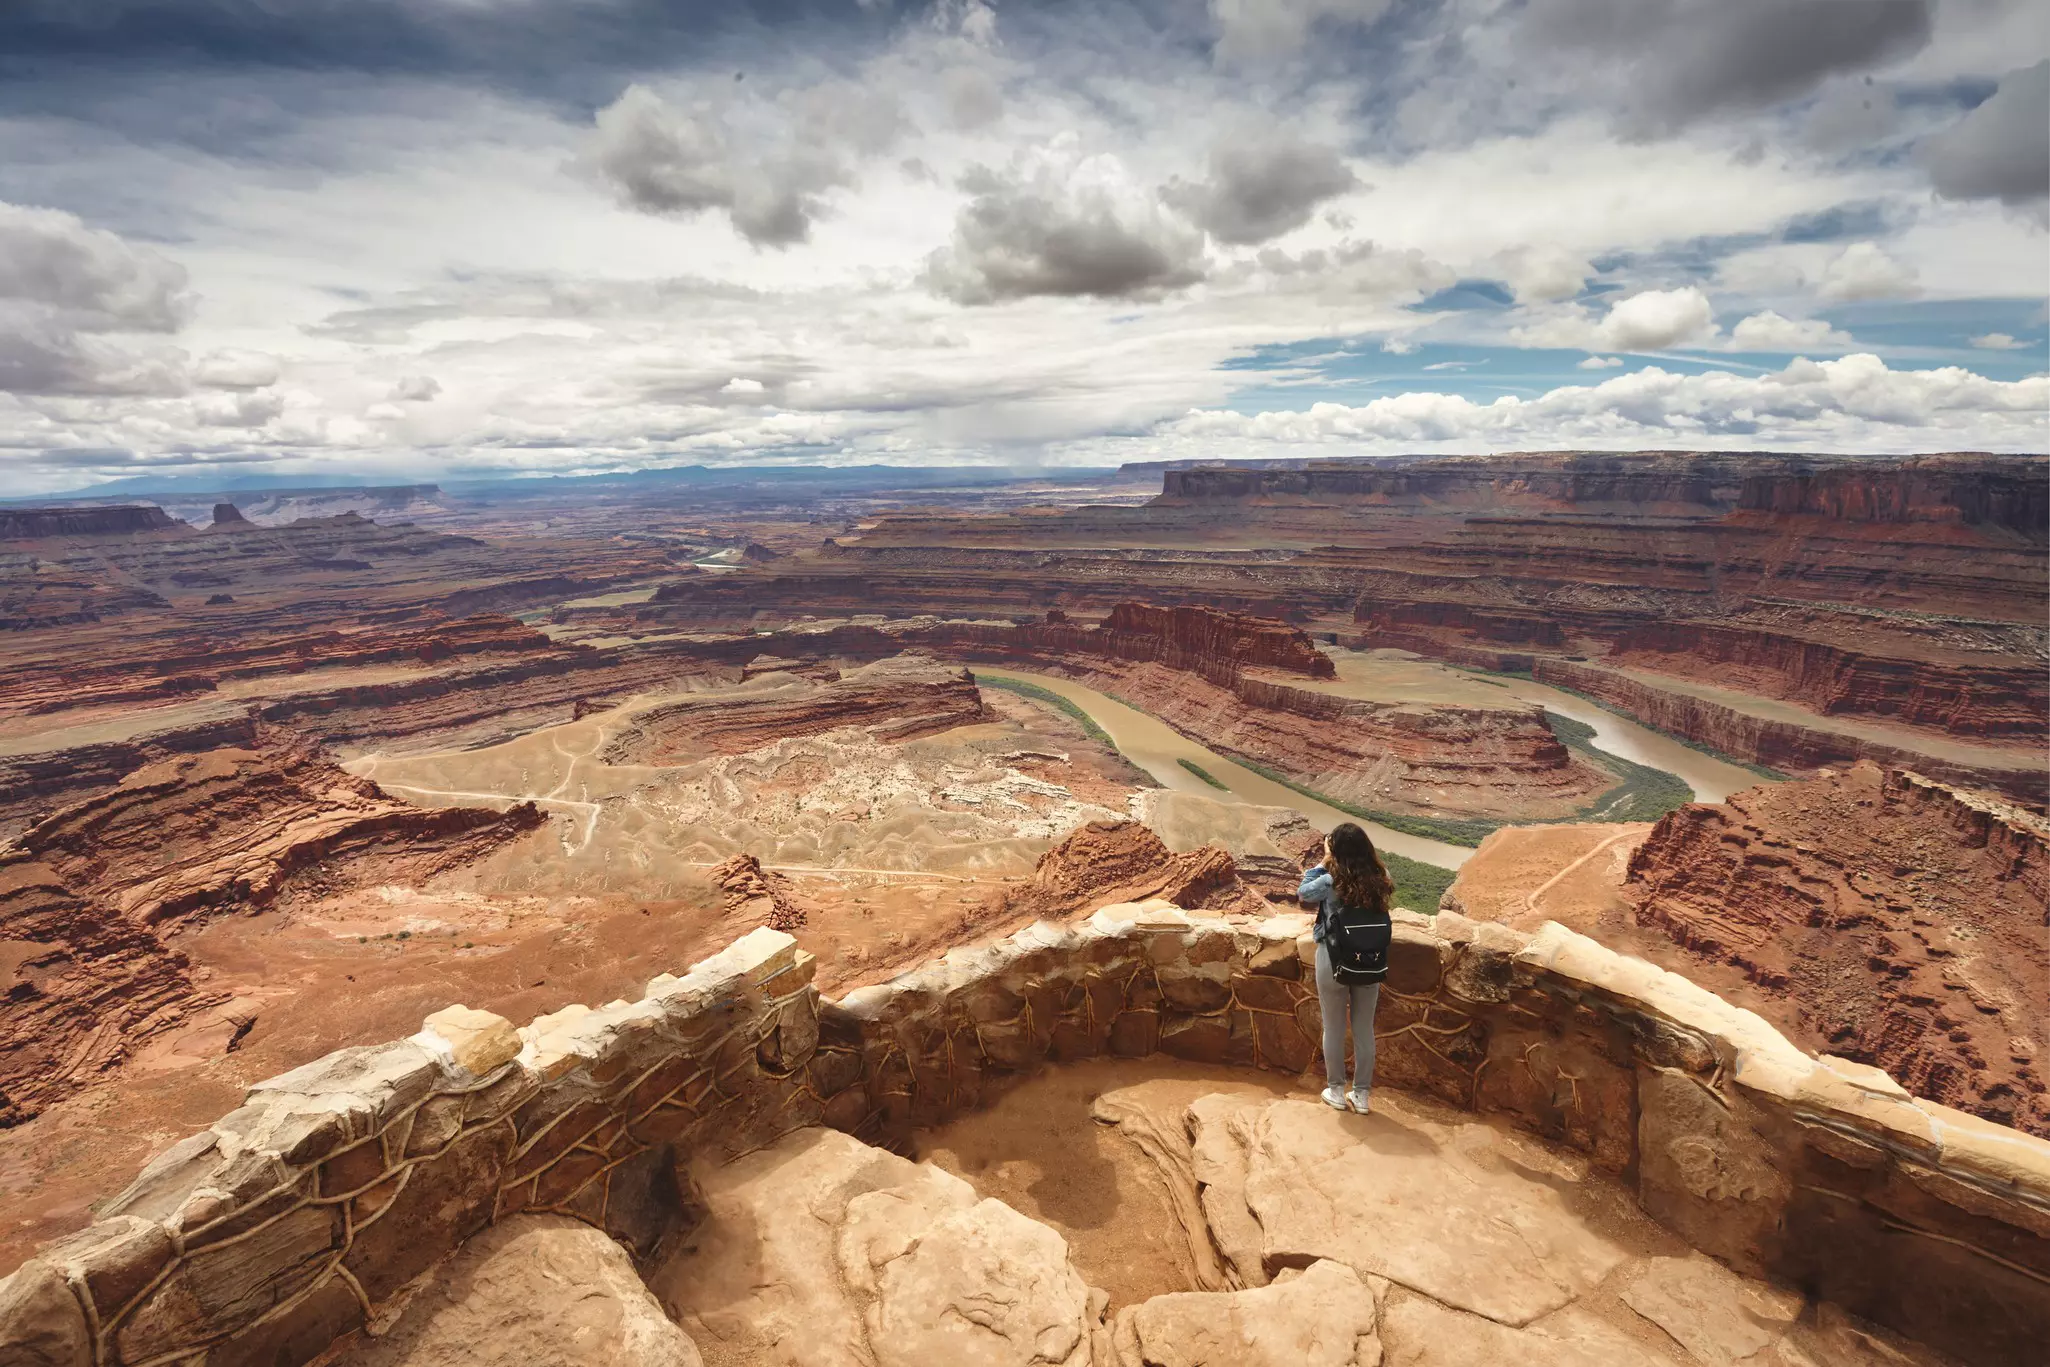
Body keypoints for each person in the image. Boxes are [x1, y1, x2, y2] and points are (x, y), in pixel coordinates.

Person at [1298, 822, 1395, 1114]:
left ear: (1336, 850)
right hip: (1370, 959)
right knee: (1364, 1029)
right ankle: (1362, 1096)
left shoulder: (1329, 880)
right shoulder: (1381, 876)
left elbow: (1303, 892)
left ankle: (1337, 1091)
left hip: (1333, 959)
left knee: (1334, 1027)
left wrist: (1324, 860)